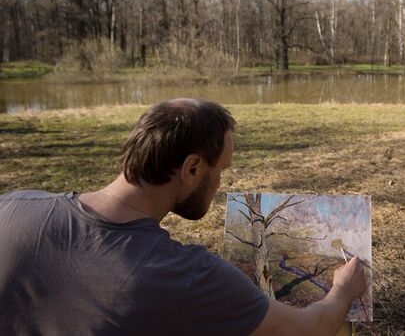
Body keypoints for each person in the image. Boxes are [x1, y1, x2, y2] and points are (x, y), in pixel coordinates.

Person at [0, 98, 367, 335]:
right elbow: (306, 330)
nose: (220, 182)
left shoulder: (13, 207)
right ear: (192, 168)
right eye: (219, 169)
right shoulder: (189, 277)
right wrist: (343, 290)